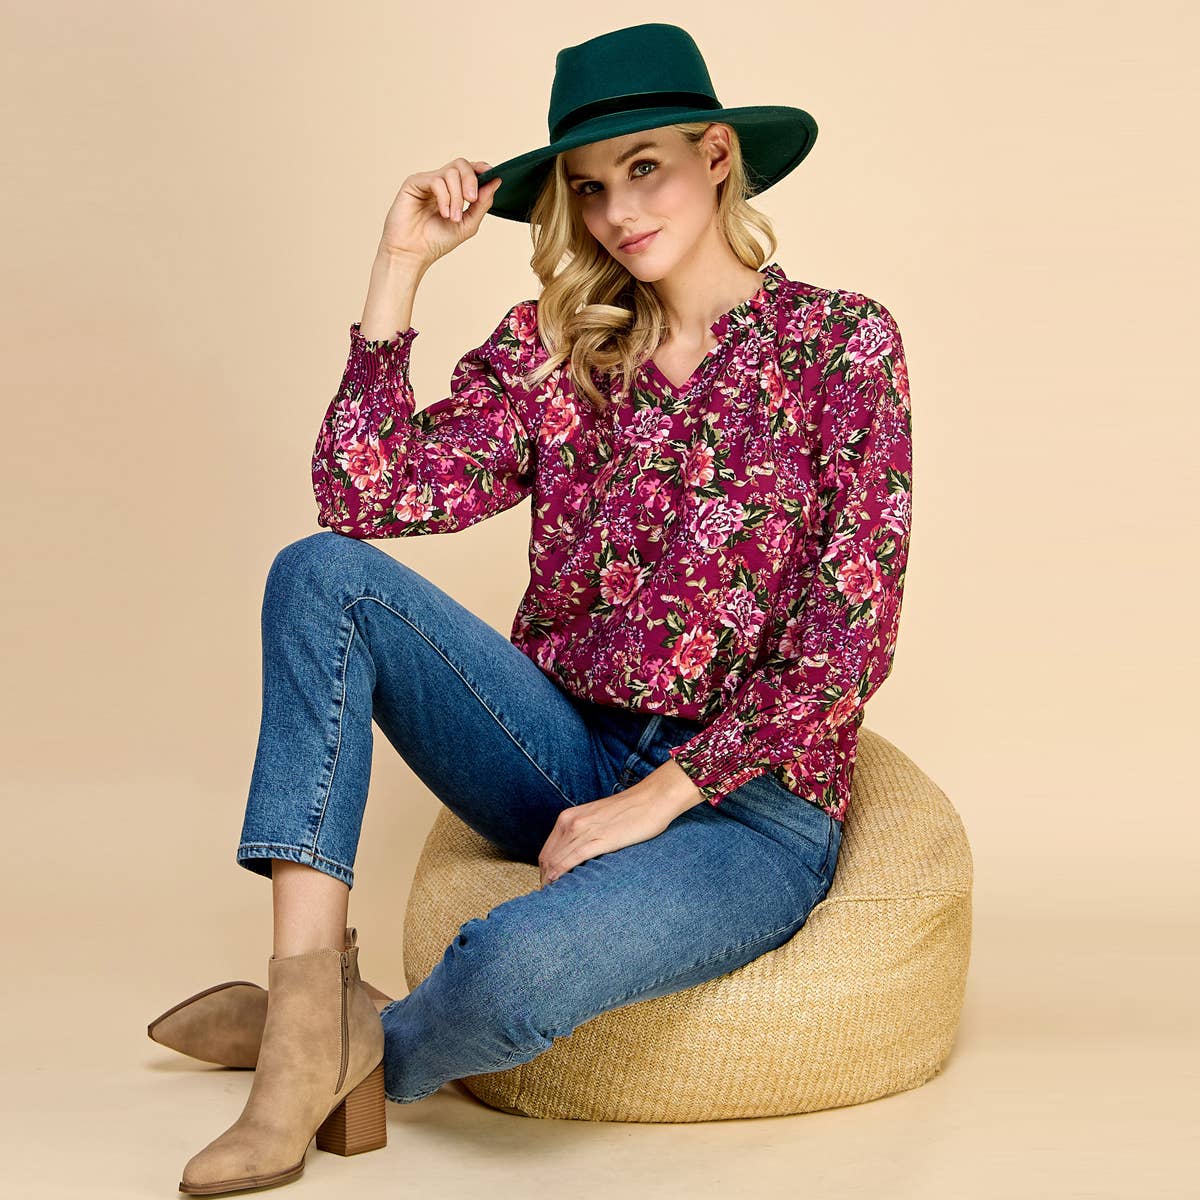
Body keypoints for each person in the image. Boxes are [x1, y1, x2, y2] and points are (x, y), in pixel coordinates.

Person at [164, 22, 913, 1197]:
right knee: (318, 573)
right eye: (590, 187)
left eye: (646, 167)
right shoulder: (561, 353)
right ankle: (307, 1008)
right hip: (565, 748)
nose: (617, 213)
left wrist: (656, 800)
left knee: (512, 978)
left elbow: (846, 644)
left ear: (718, 155)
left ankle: (359, 1046)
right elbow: (362, 495)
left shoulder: (841, 345)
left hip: (748, 812)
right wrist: (400, 266)